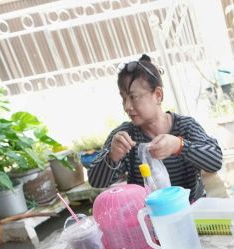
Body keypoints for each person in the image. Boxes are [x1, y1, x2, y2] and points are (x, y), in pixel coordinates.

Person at [87, 54, 224, 201]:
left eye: (133, 97)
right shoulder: (125, 136)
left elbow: (215, 161)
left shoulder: (186, 127)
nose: (127, 106)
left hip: (191, 211)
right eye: (123, 98)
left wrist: (179, 146)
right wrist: (112, 156)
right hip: (151, 216)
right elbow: (96, 181)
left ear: (158, 95)